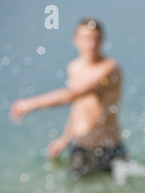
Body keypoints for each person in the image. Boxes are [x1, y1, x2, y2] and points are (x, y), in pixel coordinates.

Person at [10, 18, 128, 176]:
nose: (91, 44)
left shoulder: (109, 67)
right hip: (81, 146)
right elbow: (79, 106)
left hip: (110, 147)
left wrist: (30, 104)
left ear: (102, 40)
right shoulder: (74, 67)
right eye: (86, 38)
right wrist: (64, 139)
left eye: (95, 38)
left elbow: (74, 94)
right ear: (75, 40)